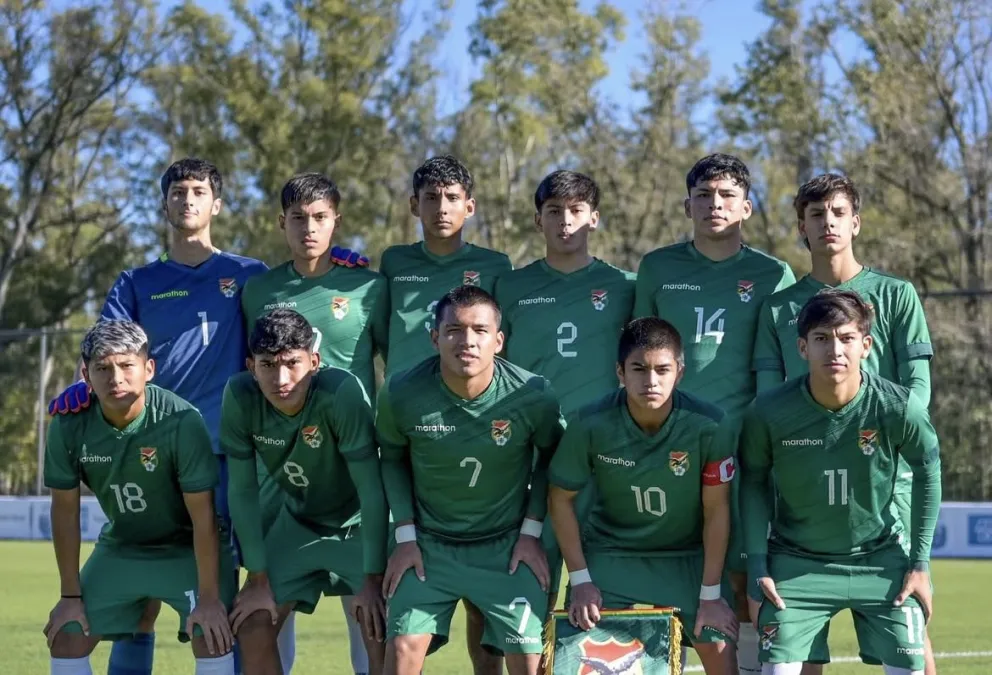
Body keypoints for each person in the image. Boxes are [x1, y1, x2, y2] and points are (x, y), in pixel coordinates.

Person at [751, 173, 935, 675]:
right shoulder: (778, 307)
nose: (827, 223)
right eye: (816, 215)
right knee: (800, 637)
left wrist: (877, 433)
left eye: (837, 213)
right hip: (804, 480)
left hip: (884, 482)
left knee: (911, 627)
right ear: (801, 229)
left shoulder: (896, 295)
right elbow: (769, 398)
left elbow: (918, 392)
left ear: (855, 222)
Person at [634, 153, 796, 675]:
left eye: (727, 195)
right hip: (669, 445)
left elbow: (783, 368)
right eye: (703, 195)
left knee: (745, 575)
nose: (714, 204)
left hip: (746, 448)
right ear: (687, 205)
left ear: (747, 206)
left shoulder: (774, 274)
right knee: (672, 566)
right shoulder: (658, 267)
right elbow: (641, 353)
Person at [239, 173, 389, 673]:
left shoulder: (368, 285)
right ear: (281, 222)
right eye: (298, 218)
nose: (309, 228)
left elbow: (404, 359)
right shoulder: (258, 288)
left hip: (352, 459)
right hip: (282, 467)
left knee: (367, 614)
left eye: (320, 218)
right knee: (265, 613)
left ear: (336, 222)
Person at [375, 286, 566, 675]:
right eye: (454, 330)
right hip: (430, 546)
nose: (467, 341)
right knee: (401, 652)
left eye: (480, 330)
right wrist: (405, 538)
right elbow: (391, 459)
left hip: (506, 546)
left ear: (498, 340)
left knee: (531, 663)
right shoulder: (401, 392)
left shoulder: (533, 395)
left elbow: (551, 459)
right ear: (435, 337)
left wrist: (531, 533)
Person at [378, 155, 512, 674]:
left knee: (485, 605)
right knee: (402, 588)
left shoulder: (496, 267)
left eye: (452, 197)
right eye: (430, 198)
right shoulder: (392, 262)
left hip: (476, 429)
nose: (441, 207)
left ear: (470, 206)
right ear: (414, 204)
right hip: (410, 428)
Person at [43, 320, 236, 675]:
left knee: (212, 634)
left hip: (185, 548)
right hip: (123, 546)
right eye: (102, 368)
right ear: (85, 374)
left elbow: (203, 517)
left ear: (148, 369)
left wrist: (209, 599)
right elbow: (65, 512)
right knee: (67, 634)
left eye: (126, 365)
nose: (115, 377)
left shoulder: (181, 420)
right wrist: (70, 598)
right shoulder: (67, 425)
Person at [549, 317, 739, 675]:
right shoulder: (590, 422)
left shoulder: (710, 424)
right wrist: (580, 580)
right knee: (580, 656)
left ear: (679, 372)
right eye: (638, 369)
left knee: (717, 646)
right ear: (620, 372)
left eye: (662, 369)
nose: (650, 381)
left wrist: (710, 595)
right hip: (612, 554)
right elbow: (560, 499)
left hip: (687, 557)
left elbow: (718, 511)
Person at [494, 169, 635, 614]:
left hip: (603, 454)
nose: (565, 221)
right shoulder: (510, 286)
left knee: (608, 591)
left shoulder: (625, 287)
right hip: (530, 453)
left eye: (576, 210)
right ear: (538, 220)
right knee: (520, 593)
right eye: (554, 211)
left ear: (594, 218)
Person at [221, 309, 389, 675]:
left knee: (382, 628)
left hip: (357, 526)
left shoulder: (341, 391)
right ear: (251, 365)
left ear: (314, 361)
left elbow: (372, 490)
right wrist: (257, 577)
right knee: (252, 624)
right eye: (267, 364)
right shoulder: (239, 395)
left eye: (292, 363)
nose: (281, 378)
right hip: (298, 524)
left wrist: (374, 578)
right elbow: (243, 491)